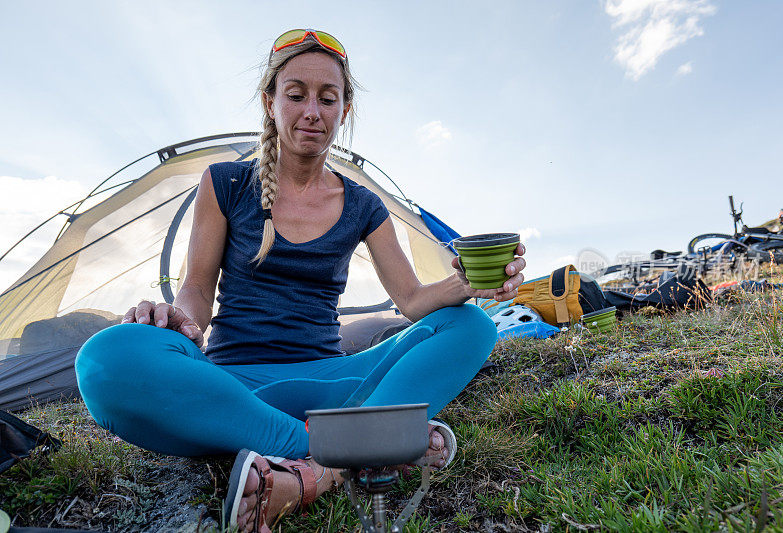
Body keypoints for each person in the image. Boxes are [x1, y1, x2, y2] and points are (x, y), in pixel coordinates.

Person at [75, 28, 526, 532]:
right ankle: (357, 448)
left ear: (343, 111)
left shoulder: (363, 205)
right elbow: (198, 291)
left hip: (331, 384)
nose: (312, 111)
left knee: (472, 327)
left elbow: (413, 299)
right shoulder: (223, 184)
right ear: (270, 102)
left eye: (327, 99)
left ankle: (321, 464)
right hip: (230, 389)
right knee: (104, 358)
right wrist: (177, 321)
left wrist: (466, 285)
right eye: (296, 95)